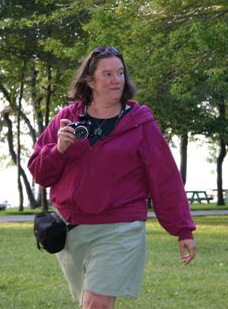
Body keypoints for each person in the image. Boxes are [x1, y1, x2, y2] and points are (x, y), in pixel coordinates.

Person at [28, 46, 196, 309]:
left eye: (120, 73)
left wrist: (182, 228)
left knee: (97, 303)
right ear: (90, 81)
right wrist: (58, 150)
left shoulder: (140, 122)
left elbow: (165, 178)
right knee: (89, 303)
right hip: (72, 229)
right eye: (107, 74)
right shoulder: (67, 118)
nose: (116, 80)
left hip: (120, 227)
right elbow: (40, 173)